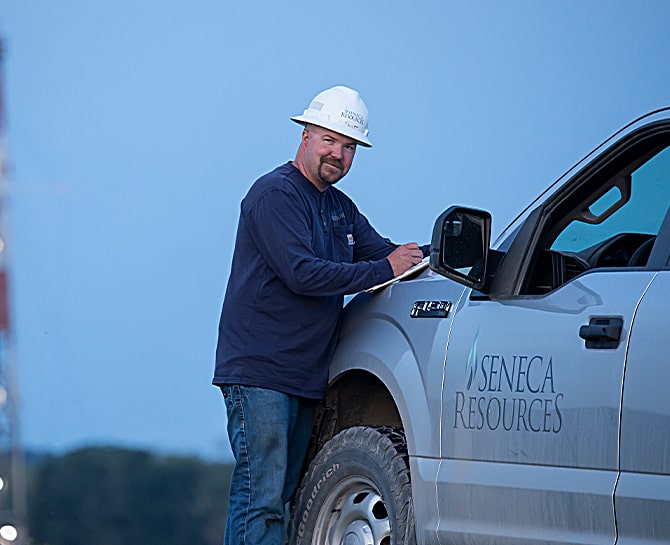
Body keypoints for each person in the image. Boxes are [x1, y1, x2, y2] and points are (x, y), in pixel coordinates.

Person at [213, 85, 425, 545]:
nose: (339, 154)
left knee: (283, 495)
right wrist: (384, 267)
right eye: (330, 140)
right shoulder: (275, 195)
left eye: (350, 147)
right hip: (260, 373)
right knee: (261, 498)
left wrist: (444, 253)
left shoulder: (338, 208)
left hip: (305, 374)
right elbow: (302, 274)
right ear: (305, 134)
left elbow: (387, 256)